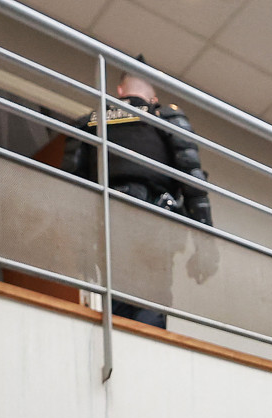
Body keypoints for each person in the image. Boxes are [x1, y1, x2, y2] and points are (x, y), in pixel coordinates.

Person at [63, 64, 213, 329]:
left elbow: (71, 183)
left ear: (120, 91)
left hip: (107, 219)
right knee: (149, 303)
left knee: (115, 303)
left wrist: (79, 247)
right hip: (153, 218)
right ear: (152, 96)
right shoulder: (164, 117)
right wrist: (205, 240)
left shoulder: (92, 120)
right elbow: (192, 178)